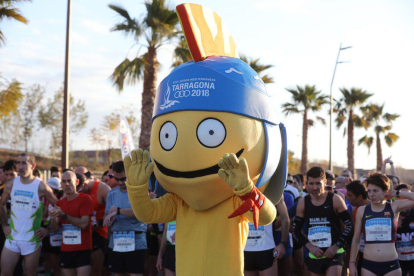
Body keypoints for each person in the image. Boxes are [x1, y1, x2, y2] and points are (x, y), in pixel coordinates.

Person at [0, 153, 58, 276]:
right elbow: (2, 204)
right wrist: (4, 225)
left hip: (32, 239)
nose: (20, 166)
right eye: (18, 163)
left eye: (24, 163)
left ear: (33, 166)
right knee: (5, 273)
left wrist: (48, 230)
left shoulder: (41, 186)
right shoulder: (11, 184)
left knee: (30, 274)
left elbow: (59, 206)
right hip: (13, 237)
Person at [349, 172, 414, 276]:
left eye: (375, 191)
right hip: (369, 266)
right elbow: (356, 239)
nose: (371, 194)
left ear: (385, 191)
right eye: (369, 191)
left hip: (391, 266)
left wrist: (396, 193)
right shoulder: (362, 210)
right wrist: (352, 263)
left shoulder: (394, 207)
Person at [293, 167, 354, 276]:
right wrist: (310, 247)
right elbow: (295, 230)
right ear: (306, 184)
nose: (315, 187)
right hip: (315, 253)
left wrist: (337, 246)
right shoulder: (303, 202)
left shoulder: (335, 199)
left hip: (335, 252)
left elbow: (350, 225)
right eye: (311, 184)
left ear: (325, 183)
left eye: (318, 183)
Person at [103, 161, 147, 276]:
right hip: (116, 241)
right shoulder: (111, 193)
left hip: (136, 240)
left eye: (123, 178)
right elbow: (106, 216)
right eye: (116, 179)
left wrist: (118, 211)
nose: (120, 182)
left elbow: (140, 213)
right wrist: (108, 218)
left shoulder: (139, 191)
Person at [50, 171, 94, 276]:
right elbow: (55, 229)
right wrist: (53, 219)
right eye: (64, 182)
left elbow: (84, 224)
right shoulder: (60, 203)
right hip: (66, 249)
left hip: (83, 249)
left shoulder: (85, 199)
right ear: (61, 184)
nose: (67, 184)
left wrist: (64, 216)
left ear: (77, 182)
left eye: (70, 181)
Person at [75, 166, 111, 276]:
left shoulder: (103, 188)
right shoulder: (76, 190)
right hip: (81, 233)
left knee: (96, 270)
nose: (79, 194)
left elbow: (112, 211)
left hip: (99, 233)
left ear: (84, 184)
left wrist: (98, 223)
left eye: (80, 191)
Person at [41, 177, 63, 276]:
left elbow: (50, 217)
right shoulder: (48, 199)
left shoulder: (60, 200)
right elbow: (45, 215)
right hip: (48, 232)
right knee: (48, 256)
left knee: (56, 262)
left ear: (52, 189)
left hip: (56, 233)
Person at [395, 184, 414, 276]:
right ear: (396, 198)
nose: (405, 200)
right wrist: (393, 229)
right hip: (396, 262)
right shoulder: (389, 214)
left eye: (408, 196)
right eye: (402, 196)